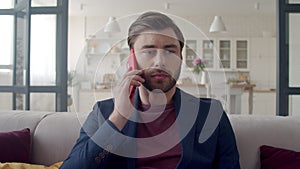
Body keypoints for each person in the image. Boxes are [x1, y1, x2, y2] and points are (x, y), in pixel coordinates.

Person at [60, 11, 240, 169]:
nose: (160, 62)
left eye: (170, 51)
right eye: (149, 51)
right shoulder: (104, 113)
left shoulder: (211, 114)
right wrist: (118, 118)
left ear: (181, 58)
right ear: (131, 58)